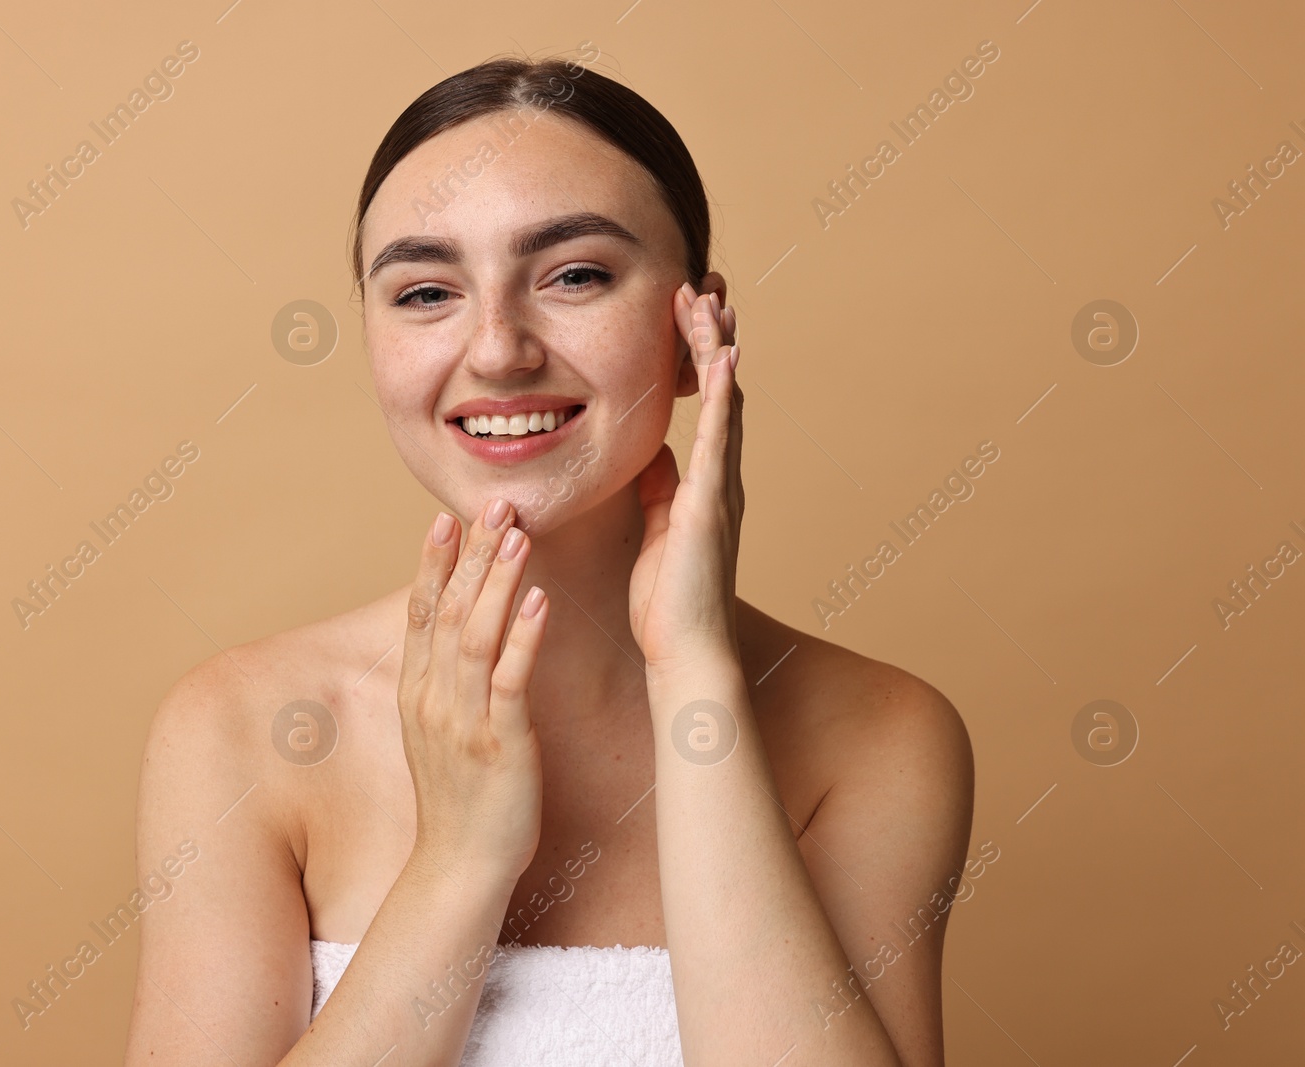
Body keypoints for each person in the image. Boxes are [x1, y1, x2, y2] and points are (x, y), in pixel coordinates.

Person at [124, 51, 974, 1067]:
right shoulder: (240, 731)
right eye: (425, 290)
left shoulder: (878, 737)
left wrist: (694, 680)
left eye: (574, 275)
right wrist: (459, 859)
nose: (495, 349)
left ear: (698, 328)